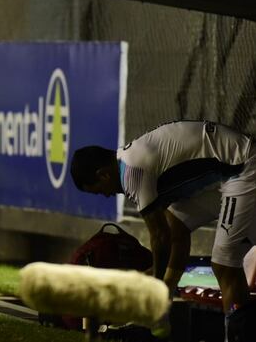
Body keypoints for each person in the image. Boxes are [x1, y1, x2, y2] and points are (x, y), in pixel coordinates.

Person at [71, 120, 256, 340]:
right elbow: (172, 233)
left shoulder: (132, 173)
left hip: (244, 168)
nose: (105, 195)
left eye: (99, 191)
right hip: (230, 172)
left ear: (103, 175)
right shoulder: (128, 161)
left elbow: (159, 238)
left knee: (225, 265)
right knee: (175, 224)